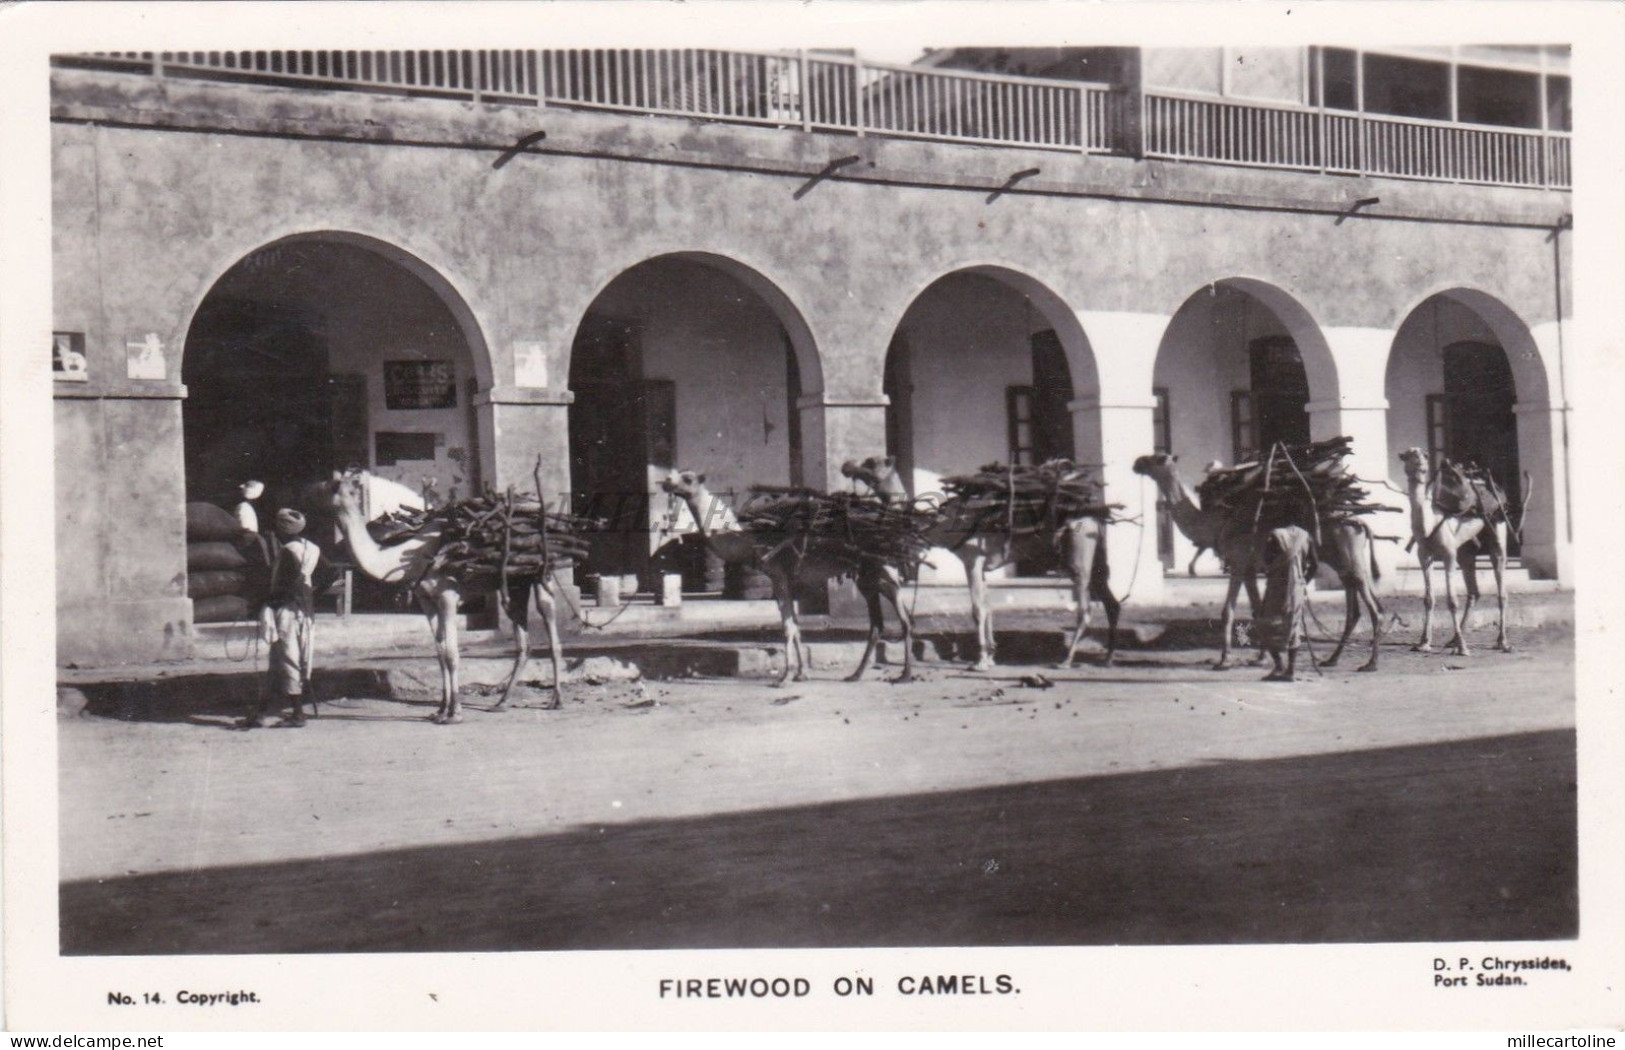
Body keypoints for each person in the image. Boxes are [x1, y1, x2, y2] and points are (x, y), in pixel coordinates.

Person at [239, 508, 327, 729]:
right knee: (289, 659)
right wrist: (313, 592)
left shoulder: (287, 551)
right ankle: (261, 711)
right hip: (305, 611)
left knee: (286, 658)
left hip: (286, 611)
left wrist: (268, 603)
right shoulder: (312, 548)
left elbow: (286, 584)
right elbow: (331, 572)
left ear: (283, 530)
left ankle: (297, 713)